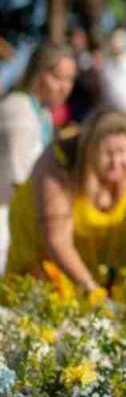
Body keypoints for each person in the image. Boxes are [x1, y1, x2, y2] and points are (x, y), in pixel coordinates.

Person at [5, 109, 126, 292]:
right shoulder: (57, 164)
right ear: (89, 150)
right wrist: (91, 290)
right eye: (107, 153)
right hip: (42, 264)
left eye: (122, 151)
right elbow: (57, 240)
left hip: (99, 267)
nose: (116, 161)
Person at [0, 42, 76, 272]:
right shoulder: (19, 111)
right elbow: (19, 181)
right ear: (38, 73)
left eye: (69, 79)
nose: (64, 87)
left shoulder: (41, 113)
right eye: (57, 77)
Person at [98, 29, 126, 114]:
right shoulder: (106, 65)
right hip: (110, 111)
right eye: (114, 40)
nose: (116, 44)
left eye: (119, 41)